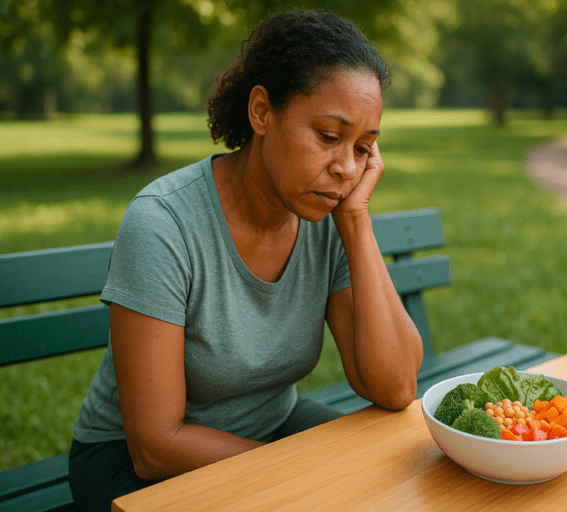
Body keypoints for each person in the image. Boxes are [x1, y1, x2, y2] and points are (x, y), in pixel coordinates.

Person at [67, 10, 423, 512]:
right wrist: (295, 475)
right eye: (328, 136)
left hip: (271, 430)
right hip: (130, 464)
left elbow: (395, 387)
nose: (346, 168)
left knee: (394, 481)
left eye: (363, 147)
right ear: (262, 111)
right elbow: (155, 444)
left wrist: (356, 222)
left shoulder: (327, 217)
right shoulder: (163, 224)